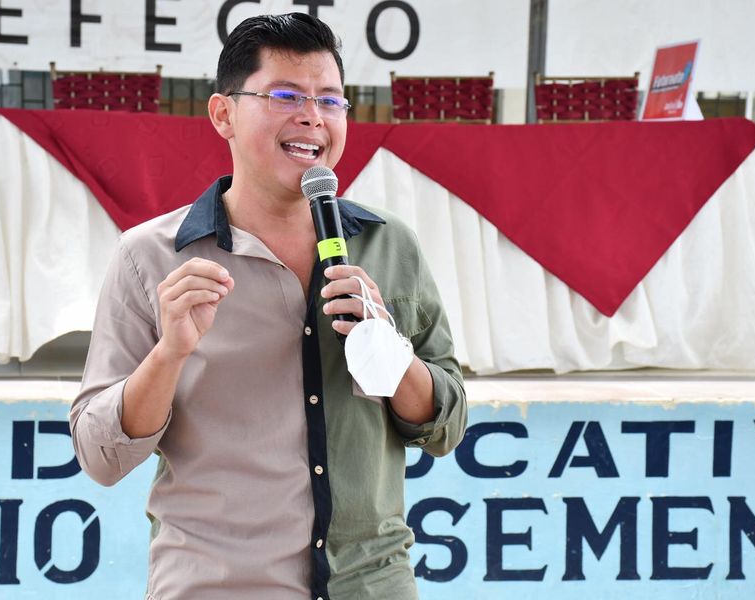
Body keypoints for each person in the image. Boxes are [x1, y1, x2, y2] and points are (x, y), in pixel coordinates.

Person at [70, 12, 467, 600]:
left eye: (330, 100)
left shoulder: (390, 245)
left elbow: (447, 426)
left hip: (372, 583)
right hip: (219, 586)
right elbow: (99, 457)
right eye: (285, 96)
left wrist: (393, 356)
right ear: (223, 114)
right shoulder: (149, 257)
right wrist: (169, 354)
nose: (312, 116)